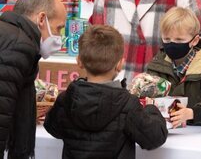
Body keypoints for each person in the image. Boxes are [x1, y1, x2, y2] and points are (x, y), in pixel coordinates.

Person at [44, 25, 168, 159]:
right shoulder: (128, 104)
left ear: (79, 62)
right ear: (120, 65)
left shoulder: (66, 99)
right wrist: (151, 108)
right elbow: (155, 138)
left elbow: (52, 128)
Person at [0, 0, 67, 159]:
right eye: (58, 28)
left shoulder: (9, 34)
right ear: (42, 18)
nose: (59, 37)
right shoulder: (18, 46)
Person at [146, 7, 201, 128]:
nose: (172, 44)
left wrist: (192, 113)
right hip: (178, 131)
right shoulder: (158, 64)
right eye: (167, 39)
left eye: (179, 40)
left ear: (194, 41)